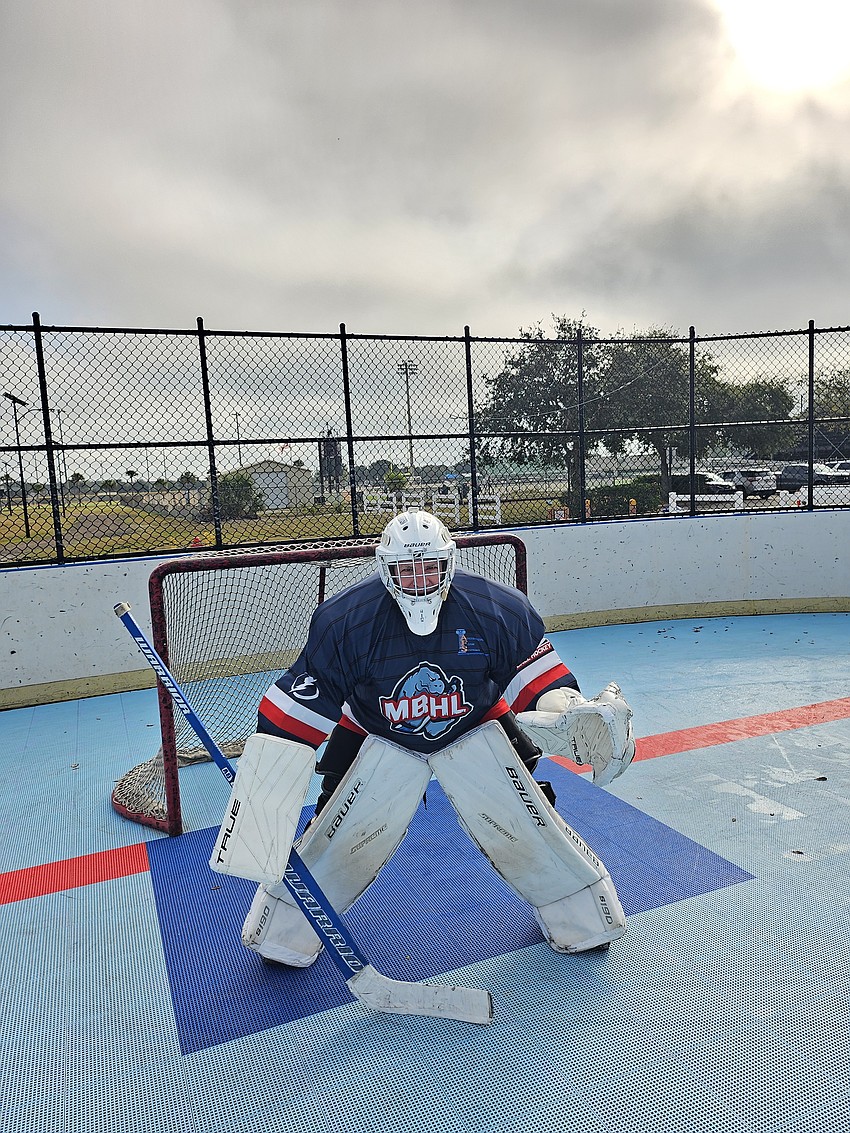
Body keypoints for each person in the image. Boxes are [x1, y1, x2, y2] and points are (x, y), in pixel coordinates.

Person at [240, 507, 635, 968]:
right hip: (373, 730)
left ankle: (582, 915)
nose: (419, 579)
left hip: (478, 724)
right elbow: (303, 702)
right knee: (335, 834)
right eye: (407, 568)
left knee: (528, 820)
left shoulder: (495, 609)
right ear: (384, 568)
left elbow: (537, 676)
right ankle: (284, 933)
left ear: (450, 560)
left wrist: (570, 709)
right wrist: (265, 773)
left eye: (429, 565)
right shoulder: (347, 621)